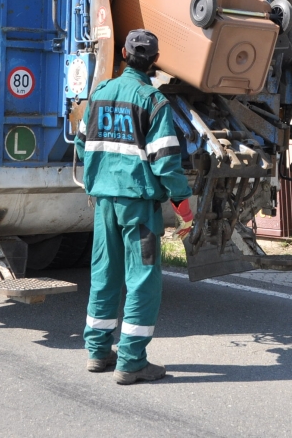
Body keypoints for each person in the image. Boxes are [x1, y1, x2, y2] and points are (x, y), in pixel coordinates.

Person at [75, 28, 194, 385]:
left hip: (104, 203)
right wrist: (185, 209)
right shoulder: (153, 102)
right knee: (142, 279)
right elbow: (166, 164)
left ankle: (98, 352)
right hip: (138, 207)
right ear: (154, 61)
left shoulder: (99, 94)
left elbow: (82, 147)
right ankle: (131, 361)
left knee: (104, 273)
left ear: (124, 55)